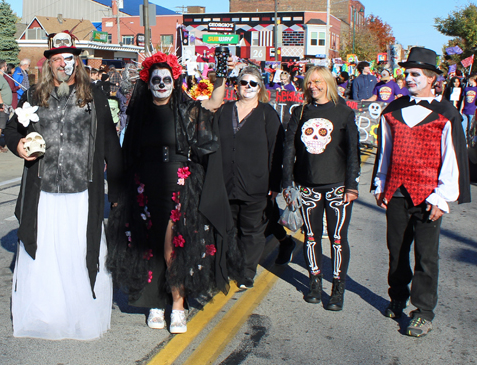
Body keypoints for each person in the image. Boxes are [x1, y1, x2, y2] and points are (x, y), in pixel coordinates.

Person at [107, 52, 242, 334]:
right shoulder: (140, 114)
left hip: (178, 185)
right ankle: (156, 302)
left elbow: (215, 102)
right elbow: (128, 152)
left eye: (167, 79)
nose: (161, 83)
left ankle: (178, 304)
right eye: (156, 79)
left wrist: (220, 76)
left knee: (173, 247)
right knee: (150, 246)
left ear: (174, 80)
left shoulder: (186, 110)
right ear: (148, 81)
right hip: (145, 186)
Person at [4, 31, 123, 340]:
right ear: (49, 64)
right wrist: (19, 146)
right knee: (44, 254)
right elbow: (11, 131)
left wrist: (120, 188)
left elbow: (110, 141)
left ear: (77, 62)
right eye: (56, 59)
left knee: (76, 252)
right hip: (43, 192)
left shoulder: (94, 96)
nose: (62, 64)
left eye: (68, 58)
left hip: (81, 191)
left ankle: (78, 312)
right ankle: (48, 313)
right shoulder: (33, 96)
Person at [371, 47, 470, 337]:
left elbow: (451, 158)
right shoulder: (393, 110)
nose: (409, 78)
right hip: (398, 192)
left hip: (429, 196)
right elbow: (385, 151)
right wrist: (381, 183)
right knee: (397, 251)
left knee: (426, 256)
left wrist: (442, 197)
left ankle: (423, 310)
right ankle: (397, 296)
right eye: (408, 73)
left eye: (415, 74)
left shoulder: (446, 113)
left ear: (431, 78)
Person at [282, 65, 360, 311]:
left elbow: (352, 152)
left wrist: (351, 185)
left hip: (337, 186)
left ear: (328, 83)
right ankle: (314, 282)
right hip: (307, 185)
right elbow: (289, 149)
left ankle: (338, 288)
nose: (313, 86)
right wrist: (287, 182)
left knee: (337, 239)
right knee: (312, 237)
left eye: (318, 82)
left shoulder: (344, 113)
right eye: (309, 82)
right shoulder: (300, 111)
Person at [218, 66, 285, 289]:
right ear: (236, 86)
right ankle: (229, 266)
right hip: (226, 181)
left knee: (252, 230)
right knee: (229, 228)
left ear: (260, 88)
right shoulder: (225, 110)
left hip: (256, 183)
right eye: (244, 82)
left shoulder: (267, 114)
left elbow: (277, 149)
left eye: (253, 83)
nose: (248, 87)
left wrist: (275, 184)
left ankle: (247, 272)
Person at [459, 75, 477, 143]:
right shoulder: (466, 88)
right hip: (465, 111)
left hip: (472, 111)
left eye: (469, 79)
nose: (468, 81)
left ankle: (470, 141)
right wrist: (461, 109)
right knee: (464, 128)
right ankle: (464, 141)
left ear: (472, 79)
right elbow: (463, 100)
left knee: (471, 128)